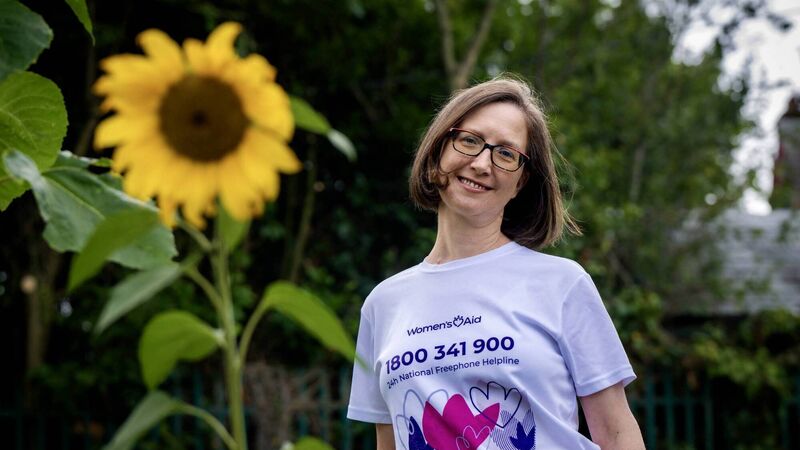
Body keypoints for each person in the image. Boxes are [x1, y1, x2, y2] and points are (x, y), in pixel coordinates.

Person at [347, 75, 645, 450]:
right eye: (470, 141)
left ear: (521, 182)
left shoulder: (563, 284)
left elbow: (617, 432)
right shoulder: (382, 305)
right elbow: (389, 442)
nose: (482, 163)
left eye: (505, 154)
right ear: (438, 152)